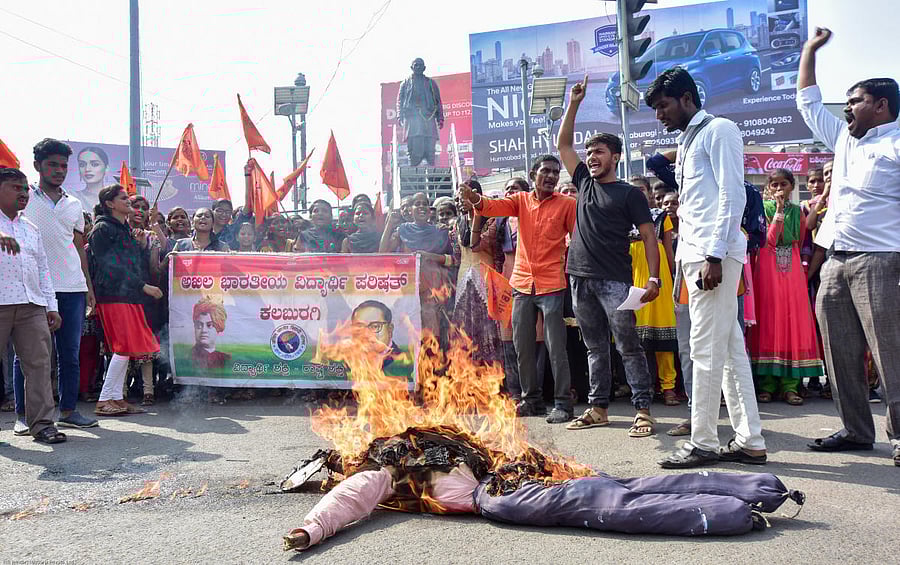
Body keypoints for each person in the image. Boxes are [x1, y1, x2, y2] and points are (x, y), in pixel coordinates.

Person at [282, 426, 805, 552]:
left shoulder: (384, 460)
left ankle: (739, 504)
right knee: (615, 488)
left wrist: (310, 527)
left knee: (606, 497)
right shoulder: (414, 440)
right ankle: (749, 493)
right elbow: (344, 501)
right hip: (515, 475)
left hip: (504, 487)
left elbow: (345, 498)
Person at [646, 67, 766, 468]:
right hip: (697, 255)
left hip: (712, 258)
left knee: (704, 348)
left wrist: (714, 256)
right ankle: (750, 440)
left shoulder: (720, 130)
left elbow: (732, 196)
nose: (659, 115)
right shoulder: (689, 140)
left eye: (663, 106)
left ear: (686, 98)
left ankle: (704, 442)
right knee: (729, 350)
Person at [797, 28, 900, 466]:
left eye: (854, 100)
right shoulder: (843, 138)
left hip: (881, 260)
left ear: (881, 105)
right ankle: (857, 430)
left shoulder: (896, 145)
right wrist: (808, 50)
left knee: (889, 350)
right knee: (838, 352)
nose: (847, 109)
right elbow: (807, 102)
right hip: (834, 261)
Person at [556, 76, 660, 437]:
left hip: (616, 282)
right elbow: (563, 144)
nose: (591, 157)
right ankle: (597, 407)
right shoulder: (583, 181)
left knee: (628, 346)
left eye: (599, 152)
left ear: (615, 157)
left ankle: (643, 409)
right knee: (594, 346)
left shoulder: (630, 194)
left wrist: (654, 278)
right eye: (589, 152)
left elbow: (649, 236)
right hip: (578, 278)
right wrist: (574, 103)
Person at [459, 156, 576, 424]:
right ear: (533, 174)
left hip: (552, 285)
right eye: (545, 171)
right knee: (521, 346)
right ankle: (531, 400)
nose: (550, 176)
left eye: (555, 173)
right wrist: (474, 199)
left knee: (556, 347)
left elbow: (576, 239)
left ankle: (562, 404)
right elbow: (490, 206)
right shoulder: (520, 200)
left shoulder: (567, 204)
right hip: (522, 284)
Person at [17, 138, 98, 430]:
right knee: (29, 356)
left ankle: (68, 411)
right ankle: (24, 417)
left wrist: (87, 286)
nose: (59, 170)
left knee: (70, 354)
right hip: (33, 289)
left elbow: (78, 247)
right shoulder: (23, 199)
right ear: (38, 166)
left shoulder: (75, 204)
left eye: (64, 166)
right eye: (52, 164)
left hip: (71, 287)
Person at [0, 167, 66, 443]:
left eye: (25, 188)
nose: (24, 193)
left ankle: (41, 424)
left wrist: (51, 305)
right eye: (16, 187)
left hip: (32, 305)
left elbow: (43, 269)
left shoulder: (30, 228)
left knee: (39, 365)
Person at [750, 169, 824, 406]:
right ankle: (767, 385)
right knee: (769, 323)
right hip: (767, 270)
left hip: (791, 272)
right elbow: (770, 240)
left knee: (790, 322)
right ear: (769, 187)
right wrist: (779, 212)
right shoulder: (762, 209)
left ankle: (791, 386)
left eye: (784, 184)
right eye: (775, 185)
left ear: (792, 186)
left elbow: (801, 240)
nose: (779, 189)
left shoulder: (799, 212)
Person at [88, 184, 162, 416]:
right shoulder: (102, 229)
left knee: (127, 348)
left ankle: (116, 399)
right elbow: (110, 267)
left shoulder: (122, 229)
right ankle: (104, 400)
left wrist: (141, 247)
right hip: (113, 296)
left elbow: (132, 264)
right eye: (123, 198)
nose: (128, 201)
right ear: (110, 204)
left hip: (128, 295)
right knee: (122, 347)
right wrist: (144, 286)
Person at [628, 175, 679, 407]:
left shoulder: (661, 217)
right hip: (632, 280)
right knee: (636, 340)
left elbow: (668, 252)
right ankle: (643, 387)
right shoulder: (621, 217)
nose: (638, 194)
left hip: (660, 280)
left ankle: (668, 387)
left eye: (642, 190)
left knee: (664, 336)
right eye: (633, 190)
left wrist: (675, 279)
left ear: (649, 193)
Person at [380, 192, 452, 340]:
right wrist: (389, 225)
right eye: (417, 204)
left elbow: (454, 260)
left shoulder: (440, 231)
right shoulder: (402, 230)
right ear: (411, 210)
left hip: (433, 290)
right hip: (408, 290)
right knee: (410, 335)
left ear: (429, 209)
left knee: (432, 336)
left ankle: (433, 363)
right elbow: (382, 253)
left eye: (424, 204)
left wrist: (430, 256)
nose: (421, 207)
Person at [451, 182, 502, 365]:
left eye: (464, 198)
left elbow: (497, 253)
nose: (460, 202)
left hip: (486, 278)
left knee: (489, 328)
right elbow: (457, 256)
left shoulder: (490, 220)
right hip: (464, 280)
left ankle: (492, 374)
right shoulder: (457, 223)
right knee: (465, 329)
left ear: (476, 196)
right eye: (457, 199)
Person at [495, 178, 529, 400]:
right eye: (507, 189)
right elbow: (478, 245)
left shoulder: (532, 216)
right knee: (507, 333)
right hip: (507, 276)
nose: (509, 192)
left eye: (514, 189)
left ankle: (535, 391)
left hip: (531, 274)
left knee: (534, 335)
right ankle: (515, 391)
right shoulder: (499, 222)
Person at [396, 58, 444, 167]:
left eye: (420, 65)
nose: (418, 67)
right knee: (415, 149)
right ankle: (414, 170)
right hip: (412, 119)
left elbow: (438, 101)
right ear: (411, 67)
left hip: (428, 117)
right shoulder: (405, 83)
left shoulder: (431, 83)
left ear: (424, 68)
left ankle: (432, 171)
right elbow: (400, 101)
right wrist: (400, 115)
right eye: (416, 65)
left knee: (430, 148)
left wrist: (440, 118)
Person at [350, 301, 404, 370]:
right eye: (359, 327)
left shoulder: (403, 363)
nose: (366, 334)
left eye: (375, 326)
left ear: (390, 329)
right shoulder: (345, 362)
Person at [191, 296, 230, 370]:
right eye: (199, 325)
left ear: (218, 328)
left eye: (209, 325)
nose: (204, 330)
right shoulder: (186, 357)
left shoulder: (226, 359)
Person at [74, 146, 109, 212]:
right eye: (82, 165)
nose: (87, 169)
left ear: (106, 168)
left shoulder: (116, 197)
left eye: (95, 164)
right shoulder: (73, 198)